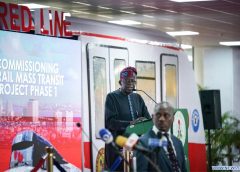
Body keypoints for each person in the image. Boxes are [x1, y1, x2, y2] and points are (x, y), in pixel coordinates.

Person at [104, 66, 151, 171]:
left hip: (136, 148)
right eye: (128, 81)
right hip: (118, 149)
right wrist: (132, 124)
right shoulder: (112, 97)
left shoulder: (138, 98)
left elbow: (147, 120)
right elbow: (111, 123)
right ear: (120, 81)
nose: (131, 84)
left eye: (133, 81)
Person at [135, 102, 187, 172]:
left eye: (166, 115)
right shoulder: (143, 143)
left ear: (173, 119)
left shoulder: (178, 143)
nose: (161, 119)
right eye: (158, 115)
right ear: (153, 117)